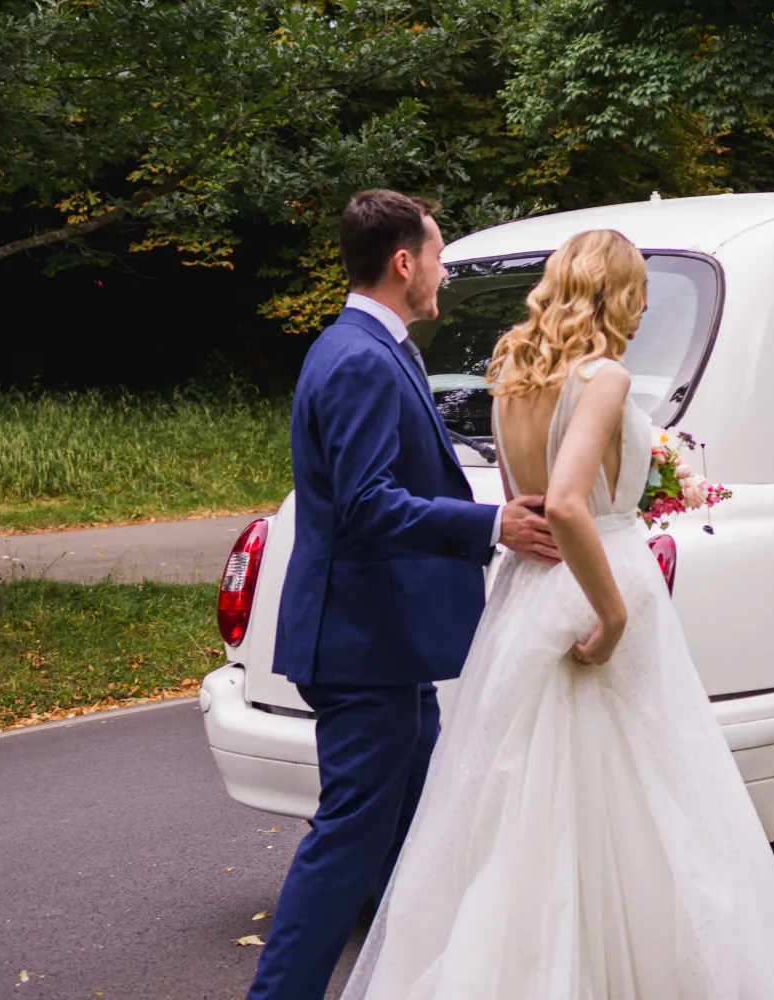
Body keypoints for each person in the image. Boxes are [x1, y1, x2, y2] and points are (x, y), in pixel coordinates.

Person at [339, 230, 774, 999]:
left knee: (524, 808)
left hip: (526, 597)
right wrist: (616, 617)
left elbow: (522, 500)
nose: (641, 307)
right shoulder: (603, 377)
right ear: (622, 291)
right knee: (649, 802)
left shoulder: (508, 370)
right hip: (595, 589)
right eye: (638, 292)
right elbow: (567, 504)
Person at [245, 190, 560, 1000]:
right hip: (363, 648)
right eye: (439, 254)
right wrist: (492, 525)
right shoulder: (357, 357)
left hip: (388, 647)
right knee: (351, 839)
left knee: (420, 837)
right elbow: (366, 503)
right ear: (403, 262)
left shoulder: (369, 347)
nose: (444, 271)